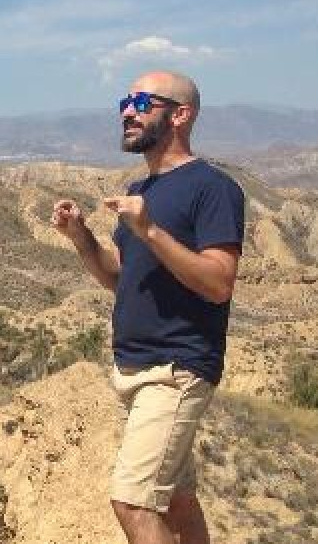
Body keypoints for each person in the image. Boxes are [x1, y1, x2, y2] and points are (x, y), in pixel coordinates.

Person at [51, 71, 245, 544]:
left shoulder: (213, 188)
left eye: (141, 101)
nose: (126, 110)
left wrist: (151, 230)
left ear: (180, 114)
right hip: (135, 370)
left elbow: (219, 283)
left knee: (132, 502)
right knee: (177, 502)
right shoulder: (143, 190)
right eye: (125, 100)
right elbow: (121, 280)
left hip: (175, 367)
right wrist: (81, 238)